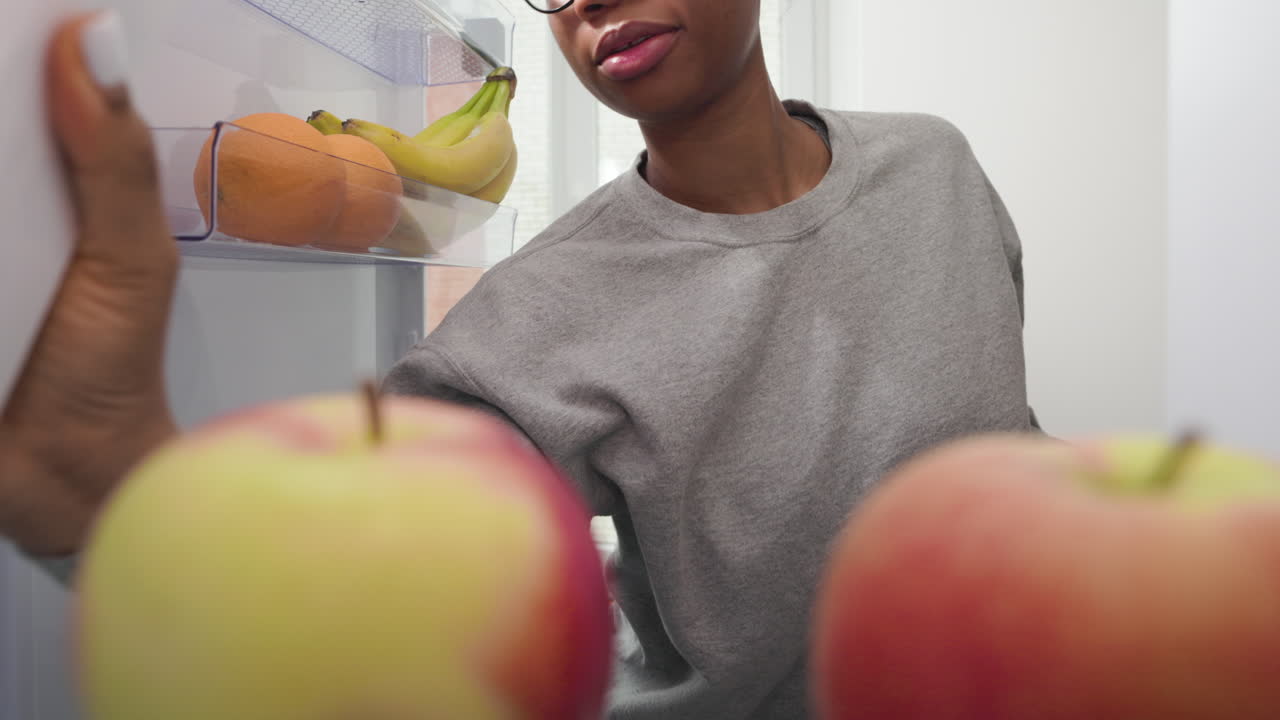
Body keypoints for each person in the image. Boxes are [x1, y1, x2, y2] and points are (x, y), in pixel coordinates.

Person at [2, 2, 1042, 718]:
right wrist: (113, 515)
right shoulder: (537, 315)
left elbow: (999, 446)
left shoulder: (932, 165)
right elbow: (367, 584)